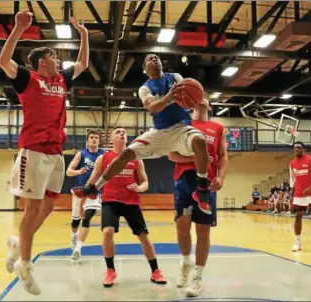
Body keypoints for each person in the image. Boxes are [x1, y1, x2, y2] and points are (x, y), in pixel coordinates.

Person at [0, 10, 88, 295]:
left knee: (49, 206)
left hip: (56, 152)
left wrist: (84, 34)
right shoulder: (28, 79)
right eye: (54, 56)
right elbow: (3, 61)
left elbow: (83, 62)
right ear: (41, 61)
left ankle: (17, 244)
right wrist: (18, 29)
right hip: (33, 152)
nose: (59, 60)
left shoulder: (62, 80)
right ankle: (25, 263)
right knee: (33, 208)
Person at [73, 54, 212, 214]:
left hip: (182, 128)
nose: (155, 59)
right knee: (126, 154)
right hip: (159, 133)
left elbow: (188, 95)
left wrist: (193, 98)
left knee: (200, 140)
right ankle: (95, 188)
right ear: (145, 69)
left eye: (157, 58)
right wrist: (169, 97)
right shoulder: (145, 88)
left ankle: (201, 188)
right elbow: (153, 108)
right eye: (149, 59)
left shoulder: (175, 77)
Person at [81, 126, 167, 287]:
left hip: (131, 201)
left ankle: (155, 270)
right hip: (110, 200)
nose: (122, 134)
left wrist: (140, 188)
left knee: (143, 235)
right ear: (111, 139)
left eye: (124, 133)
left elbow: (145, 182)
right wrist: (85, 193)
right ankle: (110, 270)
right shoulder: (103, 158)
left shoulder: (135, 158)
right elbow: (92, 181)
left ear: (127, 139)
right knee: (107, 232)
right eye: (118, 132)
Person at [167, 97, 228, 297]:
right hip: (184, 180)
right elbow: (172, 156)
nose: (202, 99)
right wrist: (196, 158)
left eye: (206, 97)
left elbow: (223, 156)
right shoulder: (183, 124)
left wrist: (220, 176)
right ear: (192, 101)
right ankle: (185, 261)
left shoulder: (217, 128)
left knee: (203, 231)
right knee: (182, 226)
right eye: (198, 95)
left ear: (209, 104)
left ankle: (198, 277)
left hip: (207, 183)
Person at [66, 130, 105, 258]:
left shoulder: (103, 155)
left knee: (86, 217)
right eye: (91, 137)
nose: (94, 139)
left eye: (96, 138)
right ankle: (74, 237)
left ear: (99, 141)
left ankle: (78, 247)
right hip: (80, 191)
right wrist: (79, 171)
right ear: (87, 141)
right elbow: (68, 172)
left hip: (95, 191)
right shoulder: (81, 154)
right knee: (75, 221)